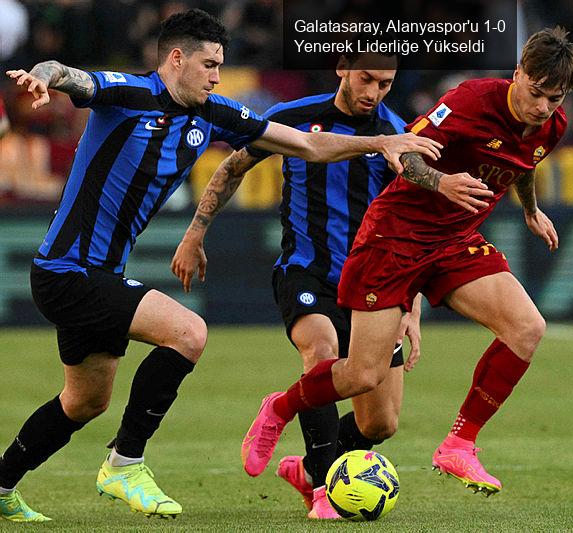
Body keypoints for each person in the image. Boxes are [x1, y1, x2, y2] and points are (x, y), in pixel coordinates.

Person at [0, 8, 440, 523]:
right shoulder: (130, 92)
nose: (216, 75)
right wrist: (43, 76)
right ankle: (124, 463)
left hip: (102, 274)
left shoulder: (214, 113)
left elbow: (307, 144)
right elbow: (66, 73)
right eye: (209, 64)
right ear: (177, 58)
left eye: (221, 65)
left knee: (84, 402)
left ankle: (2, 482)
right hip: (67, 270)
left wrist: (381, 141)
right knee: (188, 333)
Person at [240, 26, 573, 496]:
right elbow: (406, 155)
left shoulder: (552, 126)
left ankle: (459, 444)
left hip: (454, 239)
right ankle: (279, 408)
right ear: (517, 73)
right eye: (536, 92)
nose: (542, 106)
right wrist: (442, 183)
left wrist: (530, 208)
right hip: (395, 236)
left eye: (555, 98)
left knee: (527, 328)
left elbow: (524, 163)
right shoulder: (469, 101)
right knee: (362, 374)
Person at [171, 50, 422, 520]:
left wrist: (411, 306)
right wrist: (195, 231)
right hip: (306, 271)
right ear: (342, 68)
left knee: (380, 423)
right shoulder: (292, 117)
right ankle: (326, 488)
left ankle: (306, 469)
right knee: (321, 352)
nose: (373, 93)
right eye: (366, 78)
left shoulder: (397, 134)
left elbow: (412, 228)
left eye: (385, 83)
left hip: (372, 284)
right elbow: (232, 169)